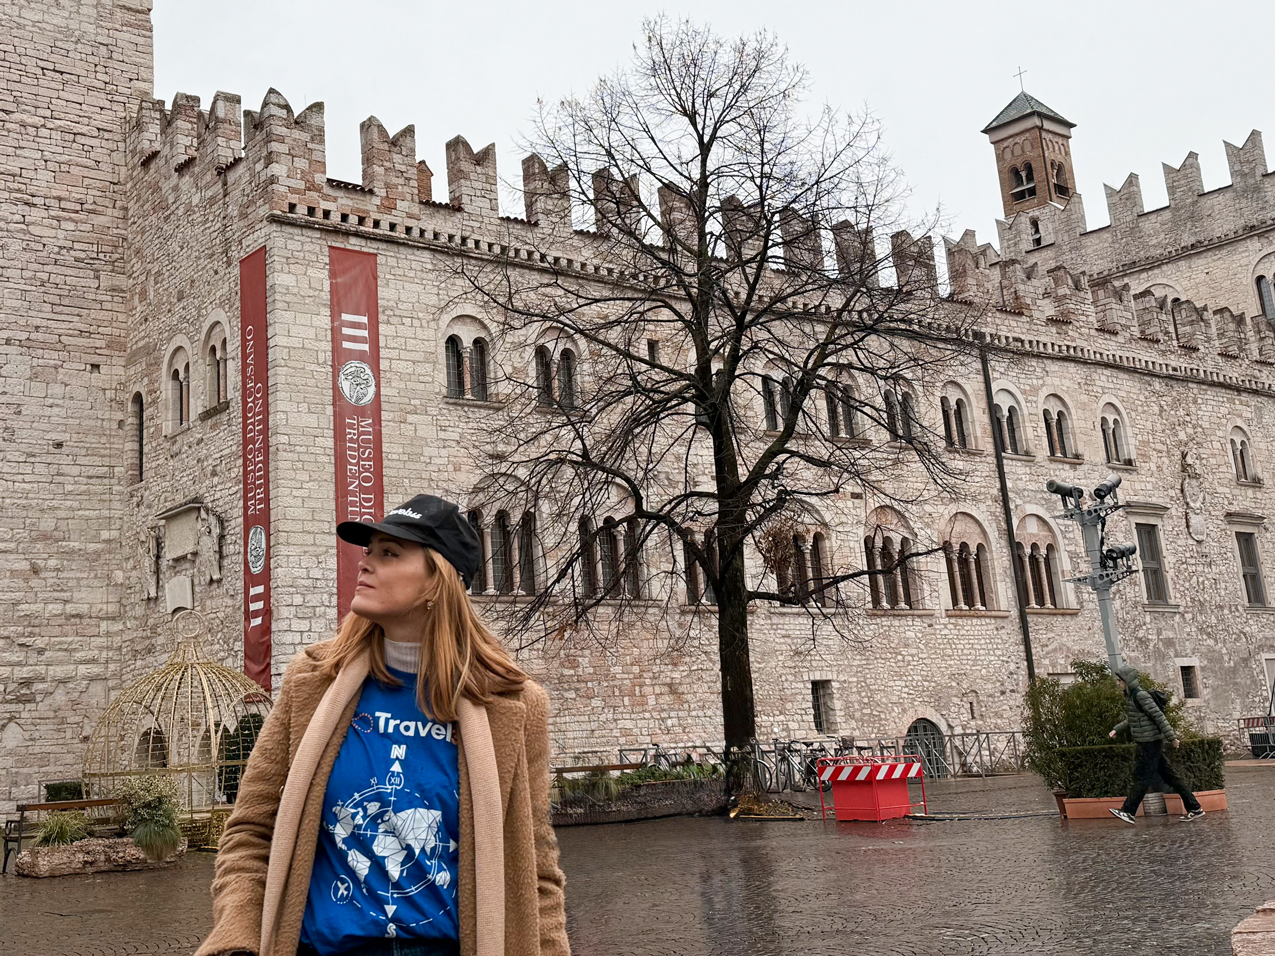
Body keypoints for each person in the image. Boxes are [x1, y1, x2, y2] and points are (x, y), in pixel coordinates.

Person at [197, 494, 570, 956]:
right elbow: (251, 831)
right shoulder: (313, 682)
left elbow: (535, 871)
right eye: (368, 551)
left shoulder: (511, 706)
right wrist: (238, 939)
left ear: (439, 581)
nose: (365, 564)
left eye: (389, 553)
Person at [1107, 662, 1204, 825]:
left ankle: (1128, 811)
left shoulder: (1141, 696)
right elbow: (1133, 719)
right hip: (1148, 743)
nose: (1118, 683)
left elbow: (1159, 716)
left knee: (1142, 777)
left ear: (1127, 681)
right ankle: (1195, 808)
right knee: (1171, 777)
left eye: (1120, 680)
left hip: (1150, 743)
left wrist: (1172, 738)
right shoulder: (1132, 697)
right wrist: (1117, 729)